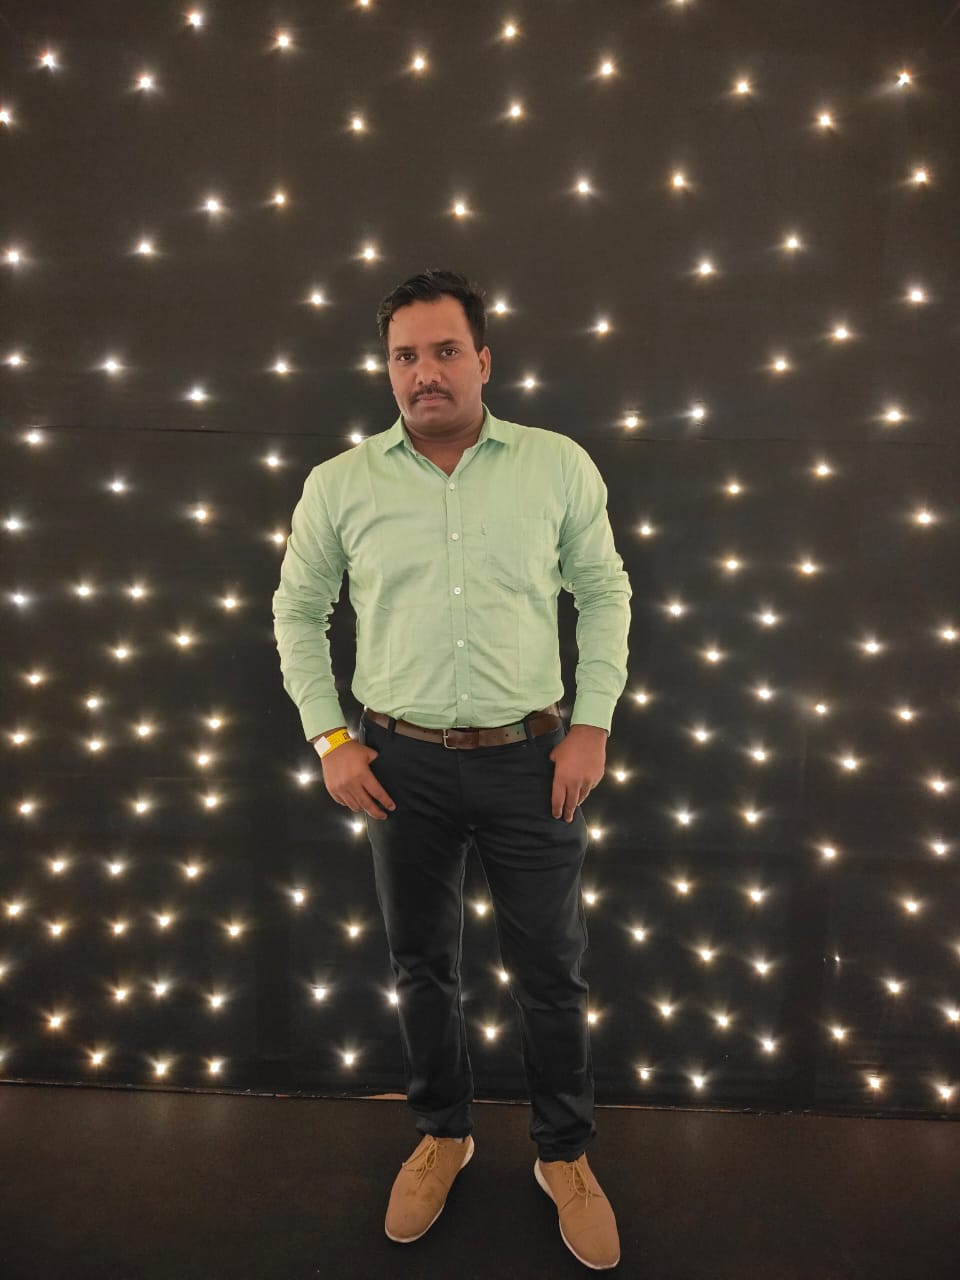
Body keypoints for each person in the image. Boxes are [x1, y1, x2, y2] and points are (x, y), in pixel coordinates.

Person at [272, 267, 631, 1270]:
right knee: (421, 965)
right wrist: (331, 739)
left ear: (484, 359)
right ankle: (443, 1133)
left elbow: (604, 590)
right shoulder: (341, 484)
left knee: (551, 969)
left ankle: (563, 1152)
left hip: (533, 761)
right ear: (387, 368)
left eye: (443, 351)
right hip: (398, 764)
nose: (423, 372)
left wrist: (592, 724)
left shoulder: (556, 465)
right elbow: (298, 610)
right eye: (404, 355)